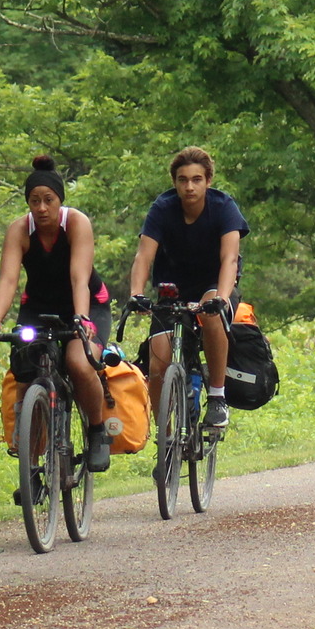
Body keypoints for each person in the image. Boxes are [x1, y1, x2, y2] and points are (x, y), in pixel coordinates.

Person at [0, 156, 115, 473]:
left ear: (59, 201)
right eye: (34, 201)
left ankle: (97, 432)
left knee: (78, 363)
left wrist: (82, 321)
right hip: (39, 307)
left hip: (85, 305)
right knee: (26, 372)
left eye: (48, 200)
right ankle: (29, 464)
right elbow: (8, 280)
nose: (41, 208)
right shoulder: (19, 231)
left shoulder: (76, 224)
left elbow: (78, 278)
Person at [127, 145, 247, 432]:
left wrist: (221, 297)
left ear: (207, 181)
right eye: (183, 180)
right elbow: (144, 255)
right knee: (157, 364)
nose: (189, 186)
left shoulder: (223, 207)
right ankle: (163, 435)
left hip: (213, 283)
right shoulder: (162, 208)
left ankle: (217, 397)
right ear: (175, 183)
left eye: (196, 179)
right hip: (172, 288)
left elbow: (229, 258)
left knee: (211, 316)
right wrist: (135, 294)